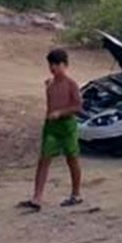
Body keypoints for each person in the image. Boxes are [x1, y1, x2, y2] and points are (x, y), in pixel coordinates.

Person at [19, 49, 83, 212]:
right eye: (51, 64)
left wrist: (61, 112)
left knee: (72, 158)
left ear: (65, 65)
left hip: (67, 125)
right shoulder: (50, 83)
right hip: (51, 127)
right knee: (44, 159)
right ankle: (37, 197)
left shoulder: (71, 84)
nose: (53, 68)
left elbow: (78, 106)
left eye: (56, 64)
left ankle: (76, 194)